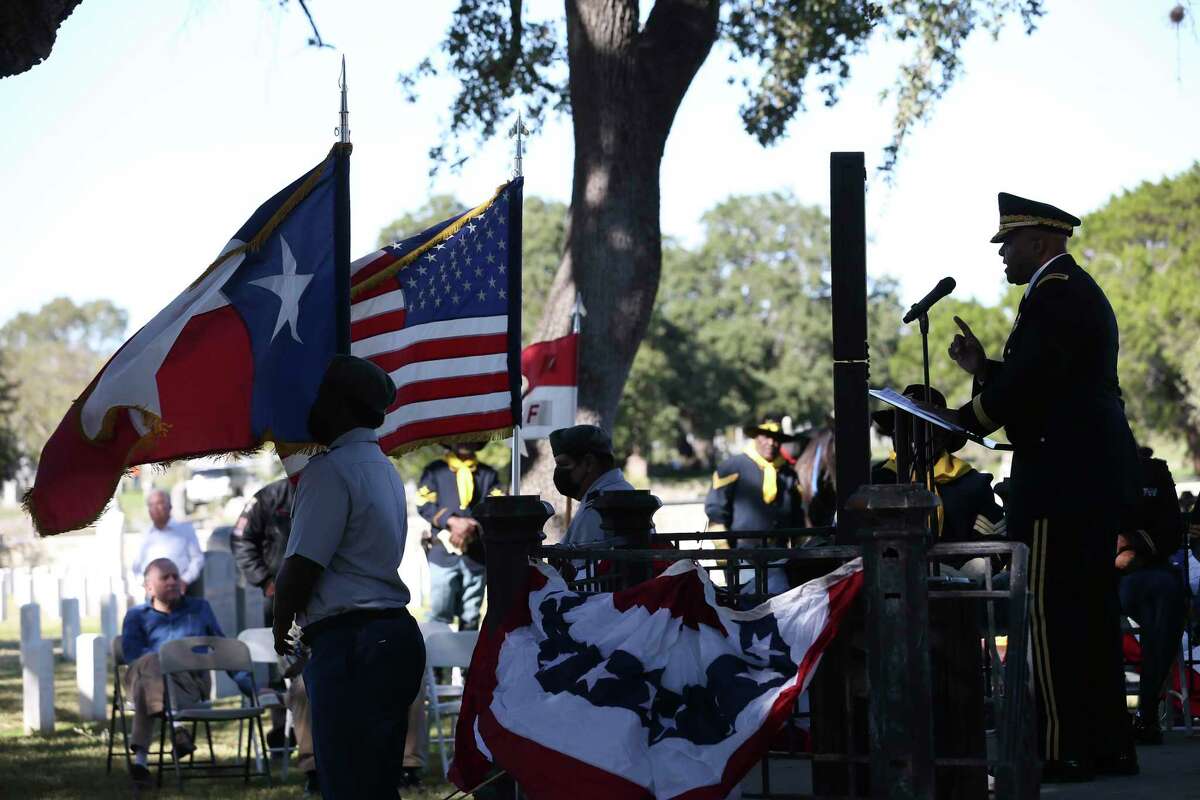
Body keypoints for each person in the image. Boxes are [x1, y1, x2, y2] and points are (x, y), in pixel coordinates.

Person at [950, 192, 1140, 782]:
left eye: (1008, 245)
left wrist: (962, 422)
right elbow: (1049, 380)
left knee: (1054, 616)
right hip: (1082, 473)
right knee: (1087, 612)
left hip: (1060, 478)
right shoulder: (1066, 293)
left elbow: (1032, 387)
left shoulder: (1055, 296)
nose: (1003, 256)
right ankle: (1105, 746)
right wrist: (985, 372)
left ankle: (1061, 749)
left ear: (1040, 242)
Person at [271, 355, 425, 799]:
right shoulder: (385, 469)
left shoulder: (329, 470)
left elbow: (302, 564)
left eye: (321, 398)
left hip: (352, 642)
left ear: (341, 406)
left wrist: (281, 620)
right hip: (390, 633)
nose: (313, 409)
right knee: (375, 781)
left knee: (348, 784)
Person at [120, 557, 254, 785]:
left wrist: (251, 688)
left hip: (191, 685)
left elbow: (221, 647)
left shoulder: (199, 609)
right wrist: (166, 660)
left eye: (176, 576)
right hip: (147, 677)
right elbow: (133, 656)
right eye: (165, 577)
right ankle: (176, 727)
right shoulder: (136, 616)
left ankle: (141, 761)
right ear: (149, 587)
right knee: (152, 662)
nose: (173, 581)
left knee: (151, 675)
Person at [230, 477, 318, 794]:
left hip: (328, 599)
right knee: (293, 674)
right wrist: (265, 580)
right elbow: (241, 538)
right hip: (282, 601)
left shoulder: (329, 488)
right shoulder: (268, 498)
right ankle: (288, 736)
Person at [872, 384, 1007, 575]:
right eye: (902, 429)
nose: (907, 437)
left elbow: (994, 547)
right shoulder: (879, 480)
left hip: (957, 592)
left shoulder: (972, 484)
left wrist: (966, 571)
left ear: (942, 435)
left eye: (919, 429)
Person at [1118, 449, 1187, 745]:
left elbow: (1171, 530)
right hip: (1091, 570)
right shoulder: (1076, 468)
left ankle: (1146, 711)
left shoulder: (1152, 472)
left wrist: (1132, 546)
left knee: (1164, 592)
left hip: (1144, 568)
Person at [704, 416, 806, 595]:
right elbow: (716, 512)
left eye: (775, 439)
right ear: (755, 438)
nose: (771, 443)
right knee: (745, 607)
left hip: (780, 560)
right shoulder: (732, 467)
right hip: (742, 558)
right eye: (765, 437)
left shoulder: (788, 474)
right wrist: (725, 556)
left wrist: (798, 557)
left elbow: (797, 519)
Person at [415, 442, 504, 631]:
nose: (465, 441)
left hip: (476, 556)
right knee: (439, 616)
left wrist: (472, 525)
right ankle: (439, 661)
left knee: (471, 617)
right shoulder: (434, 471)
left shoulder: (488, 474)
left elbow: (497, 506)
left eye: (470, 437)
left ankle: (467, 661)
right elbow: (423, 503)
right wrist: (452, 521)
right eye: (460, 437)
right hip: (442, 554)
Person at [552, 424, 636, 546]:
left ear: (589, 463)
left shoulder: (598, 508)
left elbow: (581, 563)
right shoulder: (624, 491)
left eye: (563, 464)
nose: (558, 471)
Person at [131, 489, 204, 596]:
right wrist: (144, 583)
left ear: (170, 506)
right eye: (151, 505)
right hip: (154, 596)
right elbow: (136, 566)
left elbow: (197, 559)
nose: (155, 508)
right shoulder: (145, 534)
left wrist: (184, 580)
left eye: (160, 503)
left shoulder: (185, 530)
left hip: (180, 592)